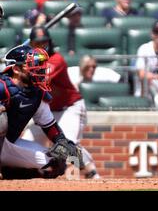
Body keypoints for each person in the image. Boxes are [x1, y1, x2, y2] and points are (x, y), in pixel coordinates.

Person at [21, 26, 100, 179]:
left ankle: (90, 171)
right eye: (38, 43)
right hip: (48, 112)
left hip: (69, 108)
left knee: (66, 143)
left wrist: (20, 65)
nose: (43, 45)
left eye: (45, 42)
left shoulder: (56, 60)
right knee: (27, 143)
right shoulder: (29, 62)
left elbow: (39, 78)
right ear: (32, 44)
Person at [0, 44, 76, 179]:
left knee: (55, 163)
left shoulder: (36, 93)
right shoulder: (2, 86)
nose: (39, 69)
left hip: (8, 145)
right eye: (32, 64)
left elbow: (50, 125)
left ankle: (9, 172)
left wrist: (62, 143)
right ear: (16, 69)